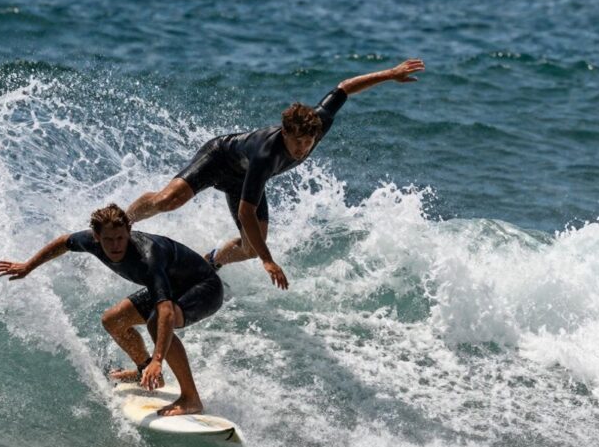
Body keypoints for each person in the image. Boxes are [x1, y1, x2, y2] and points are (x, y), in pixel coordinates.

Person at [126, 58, 425, 290]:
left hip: (242, 179)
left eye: (307, 143)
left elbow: (344, 87)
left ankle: (210, 262)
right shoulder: (266, 154)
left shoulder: (316, 125)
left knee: (249, 248)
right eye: (296, 142)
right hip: (219, 159)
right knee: (169, 200)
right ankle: (125, 221)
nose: (302, 149)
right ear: (285, 133)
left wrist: (390, 74)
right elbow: (246, 213)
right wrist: (269, 261)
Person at [0, 204, 222, 416]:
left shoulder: (148, 256)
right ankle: (145, 370)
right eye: (108, 239)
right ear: (96, 236)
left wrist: (158, 359)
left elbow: (166, 313)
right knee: (113, 320)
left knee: (156, 322)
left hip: (204, 288)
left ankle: (190, 398)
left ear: (129, 232)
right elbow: (64, 242)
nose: (115, 246)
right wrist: (27, 266)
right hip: (174, 286)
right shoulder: (91, 241)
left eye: (121, 238)